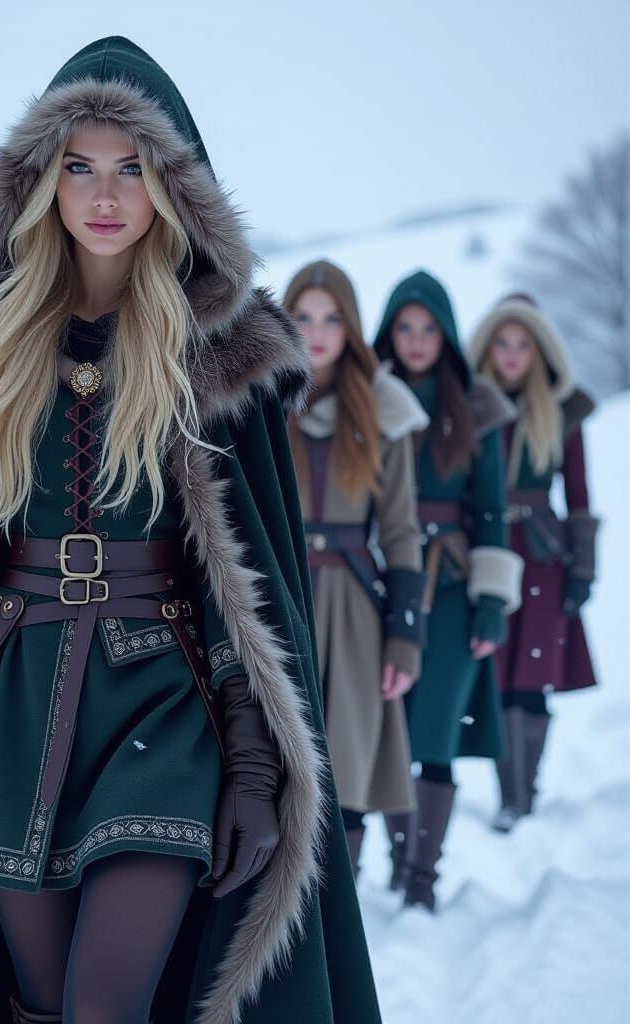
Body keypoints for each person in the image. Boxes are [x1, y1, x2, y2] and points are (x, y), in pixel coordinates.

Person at [0, 37, 381, 1024]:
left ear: (175, 190)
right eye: (79, 166)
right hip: (8, 710)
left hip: (166, 706)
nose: (105, 194)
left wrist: (258, 769)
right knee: (42, 1005)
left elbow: (245, 589)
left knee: (104, 1005)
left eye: (133, 169)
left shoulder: (220, 357)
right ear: (39, 184)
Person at [372, 269, 523, 912]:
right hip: (386, 579)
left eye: (427, 328)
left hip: (458, 589)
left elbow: (491, 510)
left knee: (435, 733)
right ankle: (394, 860)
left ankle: (422, 878)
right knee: (390, 734)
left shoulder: (477, 405)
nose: (415, 340)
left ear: (447, 334)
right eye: (404, 327)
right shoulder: (370, 397)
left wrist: (492, 604)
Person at [282, 259, 428, 879]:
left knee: (347, 765)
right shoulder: (256, 401)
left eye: (332, 319)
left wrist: (405, 638)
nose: (317, 332)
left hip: (356, 609)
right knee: (275, 768)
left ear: (351, 327)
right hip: (279, 598)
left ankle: (343, 916)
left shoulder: (381, 413)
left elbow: (400, 533)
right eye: (304, 317)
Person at [468, 293, 599, 832]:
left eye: (524, 344)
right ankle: (507, 798)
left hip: (544, 556)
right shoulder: (473, 405)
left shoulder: (563, 411)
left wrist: (584, 570)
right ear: (490, 348)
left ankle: (527, 793)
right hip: (493, 552)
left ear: (540, 349)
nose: (514, 354)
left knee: (532, 679)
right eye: (504, 343)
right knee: (496, 676)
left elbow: (581, 496)